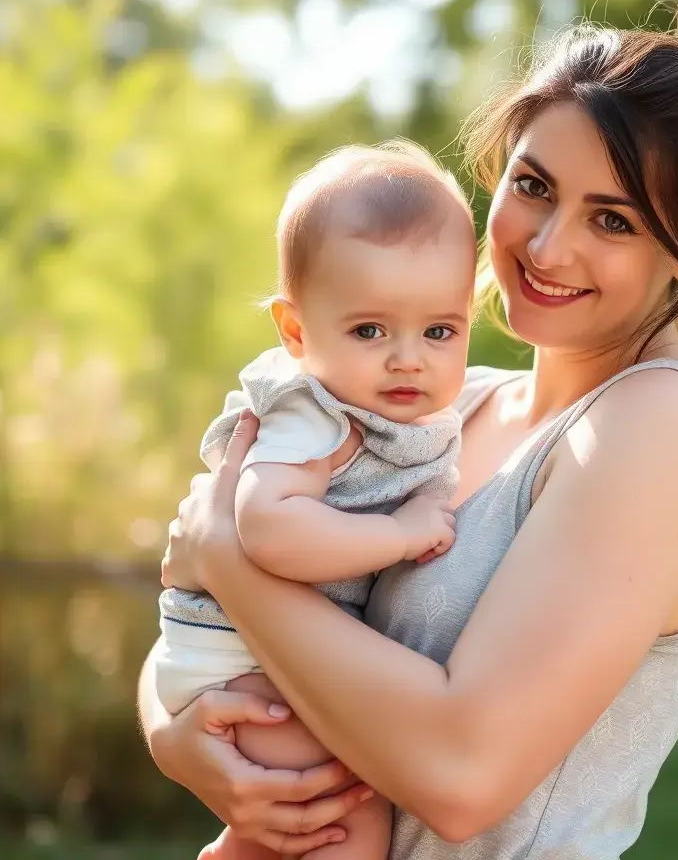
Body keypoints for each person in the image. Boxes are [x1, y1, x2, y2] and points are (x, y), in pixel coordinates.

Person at [140, 0, 678, 859]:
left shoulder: (666, 429)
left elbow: (463, 776)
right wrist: (173, 730)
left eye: (611, 220)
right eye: (534, 187)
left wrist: (230, 557)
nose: (545, 248)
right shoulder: (438, 409)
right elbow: (211, 617)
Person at [154, 142, 477, 860]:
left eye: (439, 331)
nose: (407, 357)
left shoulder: (401, 415)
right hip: (236, 657)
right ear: (296, 332)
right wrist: (397, 534)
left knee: (307, 822)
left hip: (266, 655)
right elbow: (268, 529)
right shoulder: (312, 412)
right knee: (344, 818)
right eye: (369, 330)